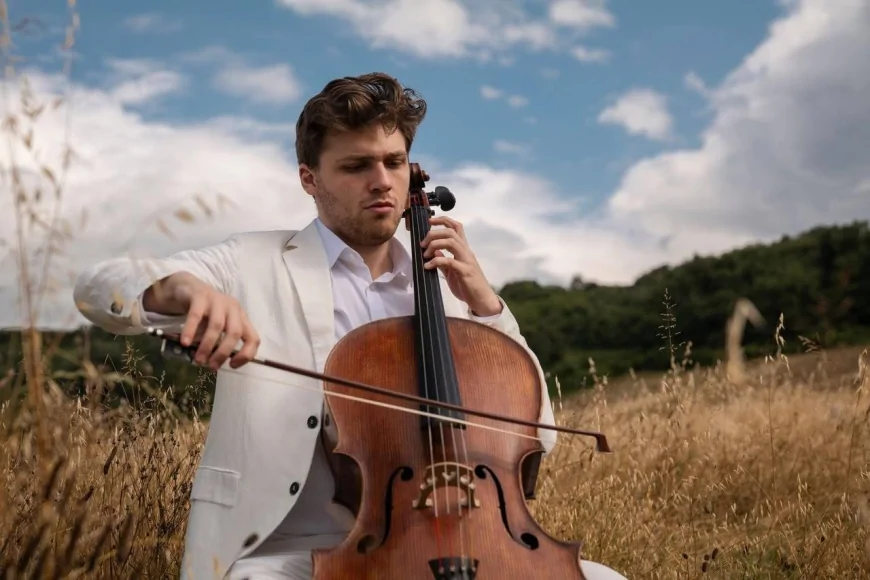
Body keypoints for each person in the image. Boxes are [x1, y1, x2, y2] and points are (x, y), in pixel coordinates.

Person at [73, 72, 627, 580]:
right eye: (357, 166)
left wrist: (487, 306)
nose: (381, 182)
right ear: (309, 179)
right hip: (288, 548)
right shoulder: (254, 262)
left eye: (393, 161)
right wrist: (181, 289)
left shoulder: (446, 294)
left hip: (454, 538)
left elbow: (542, 436)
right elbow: (100, 285)